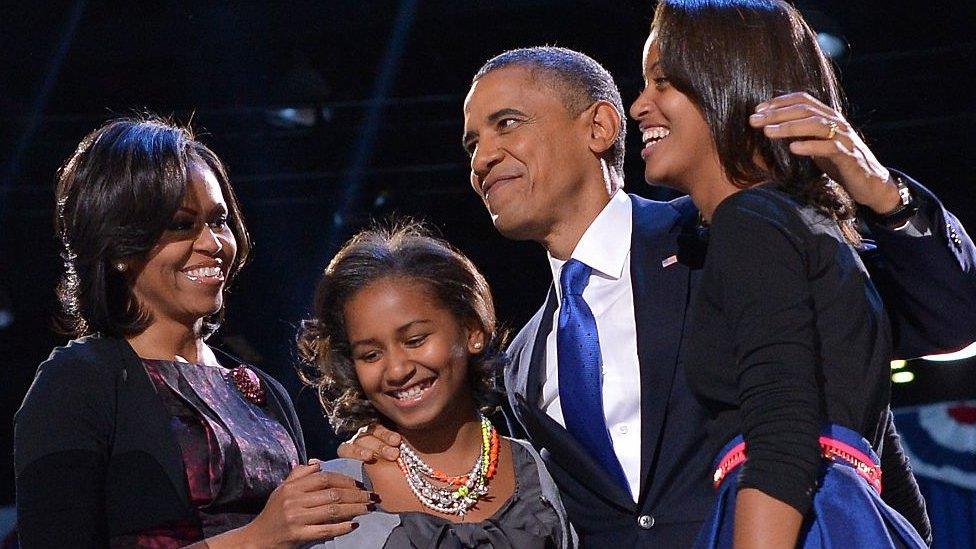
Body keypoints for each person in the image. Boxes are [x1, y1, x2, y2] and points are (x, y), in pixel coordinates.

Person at [342, 38, 976, 547]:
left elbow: (947, 315)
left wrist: (883, 194)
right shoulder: (522, 360)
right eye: (472, 143)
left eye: (508, 124)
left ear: (599, 127)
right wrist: (400, 451)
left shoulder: (723, 234)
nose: (482, 157)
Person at [630, 0, 948, 545]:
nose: (639, 106)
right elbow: (887, 466)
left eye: (662, 82)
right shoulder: (815, 229)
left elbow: (779, 438)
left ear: (726, 82)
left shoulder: (748, 222)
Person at [14, 117, 370, 547]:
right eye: (182, 225)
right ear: (120, 247)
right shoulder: (78, 382)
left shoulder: (261, 390)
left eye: (218, 221)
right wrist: (256, 538)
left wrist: (371, 460)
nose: (214, 243)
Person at [296, 222, 573, 548]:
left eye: (415, 340)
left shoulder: (542, 469)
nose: (396, 370)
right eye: (371, 355)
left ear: (472, 330)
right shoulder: (334, 495)